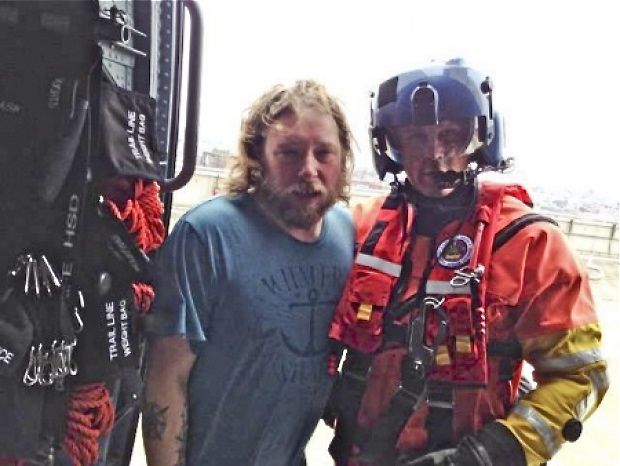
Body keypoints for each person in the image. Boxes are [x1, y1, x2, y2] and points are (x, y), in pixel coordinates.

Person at [326, 59, 609, 466]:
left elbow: (582, 377)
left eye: (452, 136)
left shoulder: (530, 243)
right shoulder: (359, 228)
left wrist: (492, 452)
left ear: (481, 138)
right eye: (416, 138)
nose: (436, 155)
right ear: (390, 146)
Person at [141, 80, 355, 466]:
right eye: (289, 153)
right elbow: (166, 379)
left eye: (324, 153)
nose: (309, 169)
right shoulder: (207, 235)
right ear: (259, 157)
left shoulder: (347, 234)